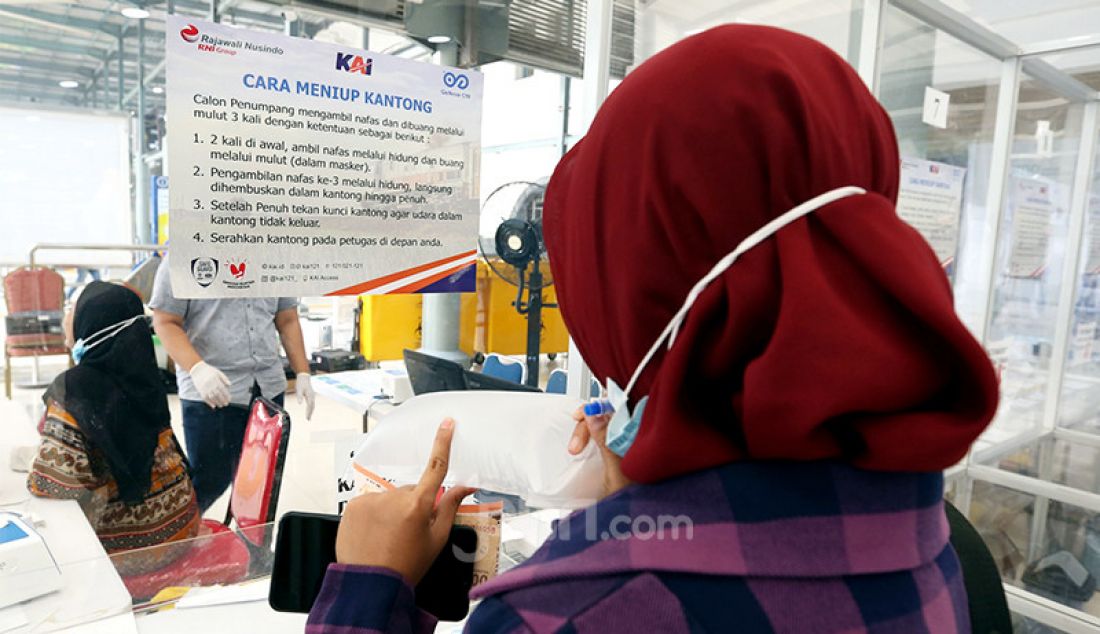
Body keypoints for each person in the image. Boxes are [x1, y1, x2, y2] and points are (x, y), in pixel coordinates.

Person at [306, 25, 1000, 633]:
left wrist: (367, 593)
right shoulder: (918, 531)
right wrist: (643, 522)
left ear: (633, 279)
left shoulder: (568, 614)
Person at [28, 281, 201, 576]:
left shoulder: (73, 390)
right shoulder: (145, 375)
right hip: (181, 525)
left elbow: (52, 485)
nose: (67, 317)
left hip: (136, 547)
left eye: (73, 309)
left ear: (91, 322)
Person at [150, 256, 315, 512]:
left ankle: (255, 549)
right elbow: (165, 321)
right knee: (208, 482)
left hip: (267, 388)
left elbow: (287, 319)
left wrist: (302, 372)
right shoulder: (185, 254)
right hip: (212, 390)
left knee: (260, 486)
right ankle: (179, 545)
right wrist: (196, 368)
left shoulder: (273, 252)